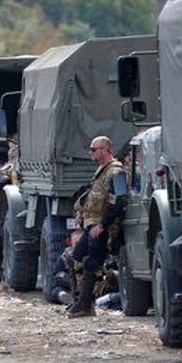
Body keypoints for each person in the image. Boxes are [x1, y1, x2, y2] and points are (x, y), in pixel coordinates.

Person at [68, 136, 128, 318]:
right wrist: (82, 212)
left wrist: (102, 225)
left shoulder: (116, 172)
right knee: (77, 256)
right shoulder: (102, 171)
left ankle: (85, 305)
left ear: (105, 150)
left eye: (93, 149)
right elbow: (94, 196)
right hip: (92, 224)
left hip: (104, 228)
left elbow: (120, 200)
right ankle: (81, 300)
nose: (90, 153)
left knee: (91, 262)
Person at [47, 230, 84, 305]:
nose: (78, 246)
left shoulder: (91, 256)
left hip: (88, 286)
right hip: (71, 287)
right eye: (76, 243)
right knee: (55, 291)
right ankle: (67, 298)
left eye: (81, 243)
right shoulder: (65, 258)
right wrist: (72, 283)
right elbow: (57, 278)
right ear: (71, 243)